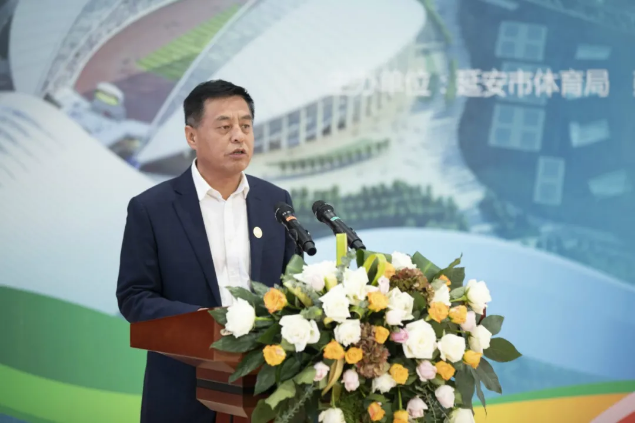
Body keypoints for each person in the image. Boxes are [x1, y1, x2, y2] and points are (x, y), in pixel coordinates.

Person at [116, 80, 298, 423]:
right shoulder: (152, 208)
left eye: (246, 126)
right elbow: (134, 296)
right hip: (183, 392)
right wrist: (204, 321)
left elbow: (291, 286)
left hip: (264, 391)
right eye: (224, 127)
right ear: (192, 136)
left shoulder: (275, 201)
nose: (239, 136)